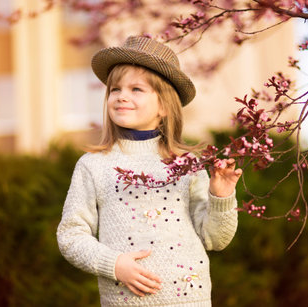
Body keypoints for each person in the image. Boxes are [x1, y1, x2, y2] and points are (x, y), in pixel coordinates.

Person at [57, 35, 242, 306]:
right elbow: (71, 235)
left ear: (164, 106)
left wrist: (221, 198)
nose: (122, 97)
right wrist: (115, 264)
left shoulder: (187, 164)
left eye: (136, 90)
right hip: (126, 301)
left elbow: (215, 239)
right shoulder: (94, 165)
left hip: (191, 301)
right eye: (115, 89)